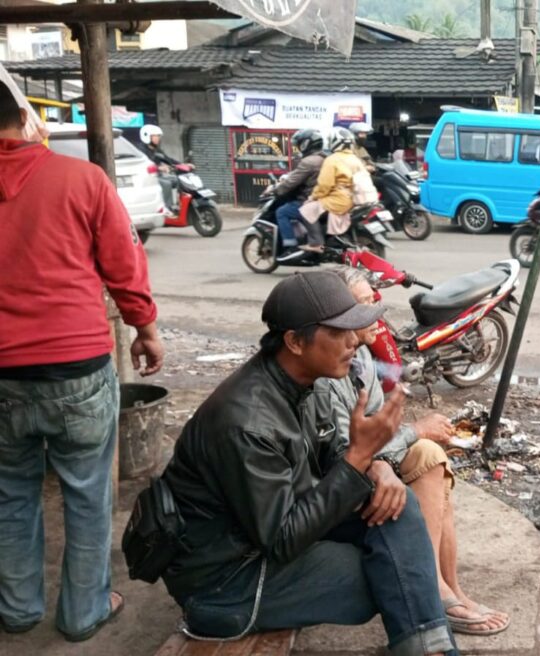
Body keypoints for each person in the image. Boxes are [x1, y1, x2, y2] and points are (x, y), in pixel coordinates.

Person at [155, 271, 456, 656]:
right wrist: (361, 456)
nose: (353, 341)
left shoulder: (299, 380)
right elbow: (281, 540)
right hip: (226, 578)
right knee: (389, 577)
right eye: (339, 332)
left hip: (264, 534)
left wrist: (376, 465)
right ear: (295, 341)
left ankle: (429, 650)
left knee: (397, 506)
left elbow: (328, 453)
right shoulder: (246, 422)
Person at [0, 77, 164, 642]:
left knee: (10, 495)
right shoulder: (81, 179)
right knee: (87, 494)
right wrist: (146, 330)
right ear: (24, 121)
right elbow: (124, 264)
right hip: (77, 368)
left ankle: (18, 610)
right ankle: (83, 610)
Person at [325, 268, 511, 636]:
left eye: (373, 302)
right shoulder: (329, 371)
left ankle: (450, 587)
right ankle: (435, 590)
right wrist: (412, 432)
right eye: (364, 305)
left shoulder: (361, 358)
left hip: (366, 462)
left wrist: (400, 443)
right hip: (337, 482)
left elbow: (377, 429)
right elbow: (350, 451)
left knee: (431, 456)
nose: (376, 313)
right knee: (425, 449)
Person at [306, 127, 374, 252]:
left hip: (339, 200)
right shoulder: (355, 159)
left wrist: (312, 197)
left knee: (307, 210)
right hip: (356, 199)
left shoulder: (332, 160)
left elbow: (324, 186)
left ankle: (316, 244)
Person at [270, 128, 327, 256]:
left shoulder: (308, 161)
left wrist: (276, 190)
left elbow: (291, 182)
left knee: (282, 212)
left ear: (306, 144)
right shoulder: (325, 158)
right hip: (325, 198)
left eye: (299, 144)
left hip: (309, 199)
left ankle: (291, 247)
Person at [140, 124, 182, 215]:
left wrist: (182, 165)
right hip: (149, 178)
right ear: (147, 136)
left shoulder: (157, 150)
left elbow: (168, 160)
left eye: (158, 136)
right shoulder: (141, 151)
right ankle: (167, 208)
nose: (158, 138)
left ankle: (179, 205)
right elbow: (144, 166)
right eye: (155, 136)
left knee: (178, 180)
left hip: (158, 176)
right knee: (166, 184)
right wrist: (159, 168)